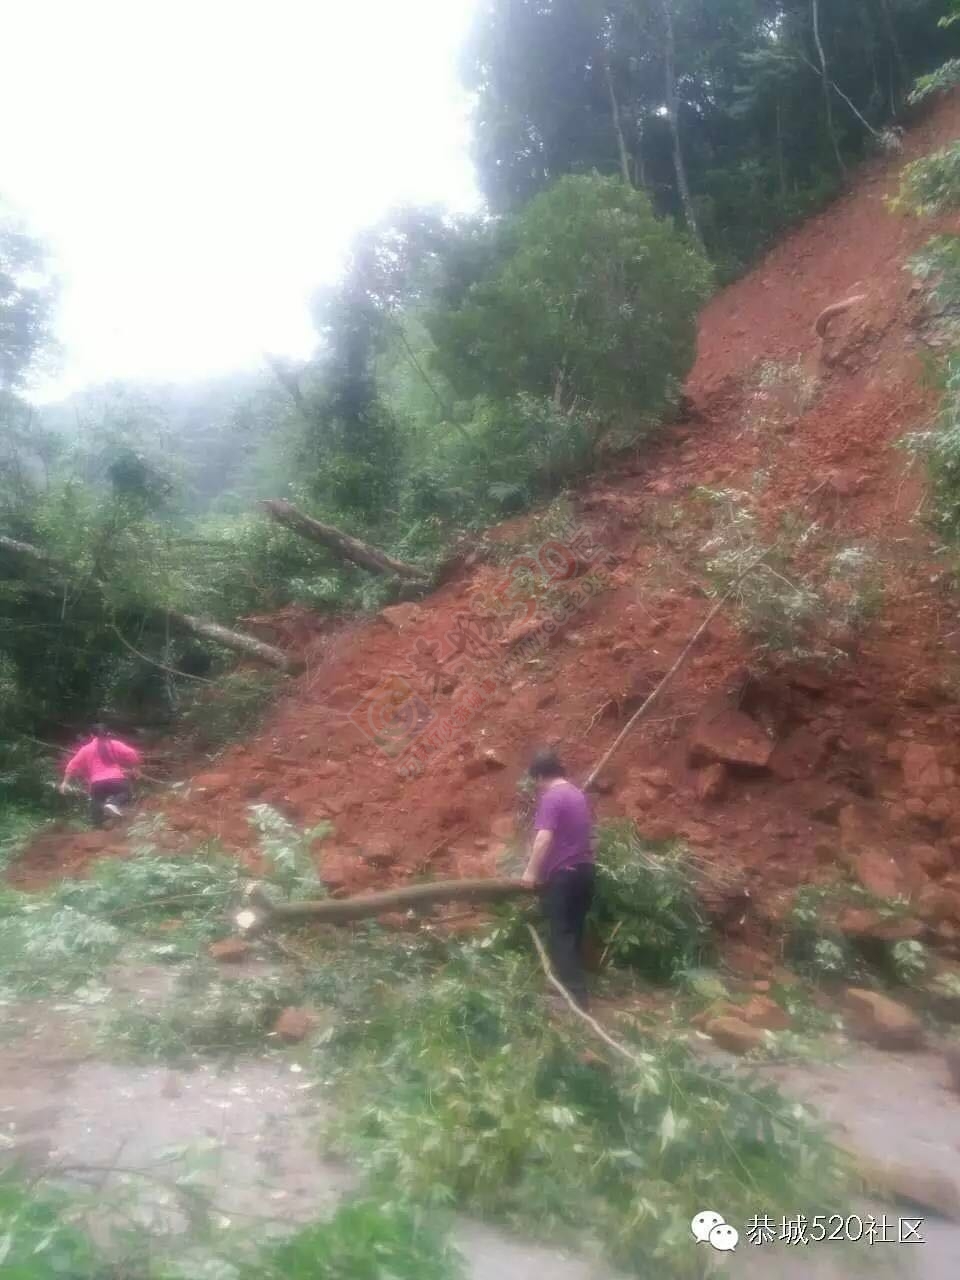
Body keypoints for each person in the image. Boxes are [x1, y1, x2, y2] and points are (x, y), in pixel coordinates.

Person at [522, 748, 595, 1008]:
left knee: (560, 935)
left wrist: (530, 874)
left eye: (536, 781)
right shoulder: (577, 794)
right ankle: (571, 991)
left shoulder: (552, 797)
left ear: (540, 776)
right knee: (573, 933)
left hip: (565, 875)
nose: (537, 787)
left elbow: (544, 838)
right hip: (586, 871)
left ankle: (575, 999)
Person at [60, 723, 141, 827]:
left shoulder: (86, 749)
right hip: (116, 779)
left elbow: (72, 765)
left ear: (91, 735)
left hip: (97, 783)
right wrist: (136, 768)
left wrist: (65, 782)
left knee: (96, 802)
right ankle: (114, 804)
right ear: (108, 733)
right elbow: (131, 753)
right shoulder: (114, 744)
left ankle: (97, 827)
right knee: (126, 793)